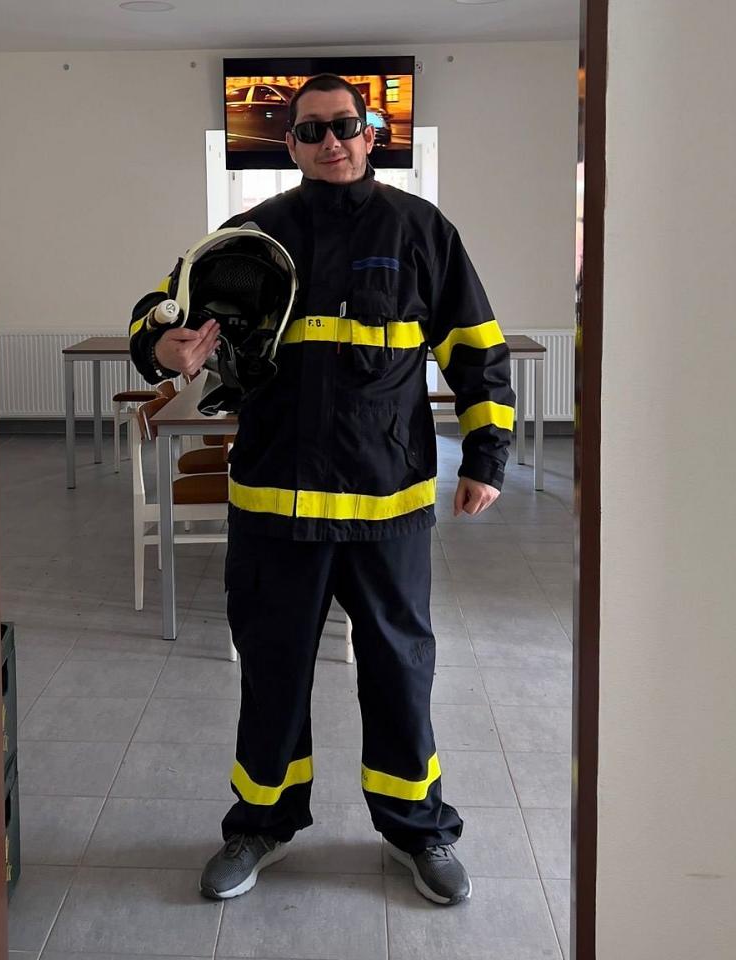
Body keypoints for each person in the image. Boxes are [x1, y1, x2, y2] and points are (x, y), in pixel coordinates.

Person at [128, 74, 515, 906]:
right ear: (290, 145)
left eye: (345, 126)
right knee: (272, 673)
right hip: (277, 505)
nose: (331, 141)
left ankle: (418, 828)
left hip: (387, 508)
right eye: (312, 131)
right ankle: (259, 825)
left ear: (372, 134)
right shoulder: (251, 237)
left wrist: (487, 454)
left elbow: (477, 346)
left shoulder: (422, 231)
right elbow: (159, 307)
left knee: (400, 672)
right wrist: (164, 349)